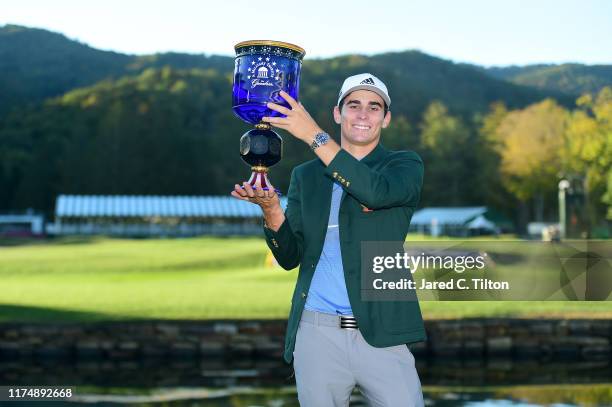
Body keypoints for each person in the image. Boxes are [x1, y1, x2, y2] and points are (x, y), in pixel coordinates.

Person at [231, 73, 426, 407]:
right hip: (316, 332)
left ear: (386, 118)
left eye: (374, 107)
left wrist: (312, 135)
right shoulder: (306, 176)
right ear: (338, 113)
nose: (363, 114)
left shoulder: (403, 165)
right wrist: (272, 211)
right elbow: (290, 256)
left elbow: (374, 192)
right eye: (354, 105)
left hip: (381, 331)